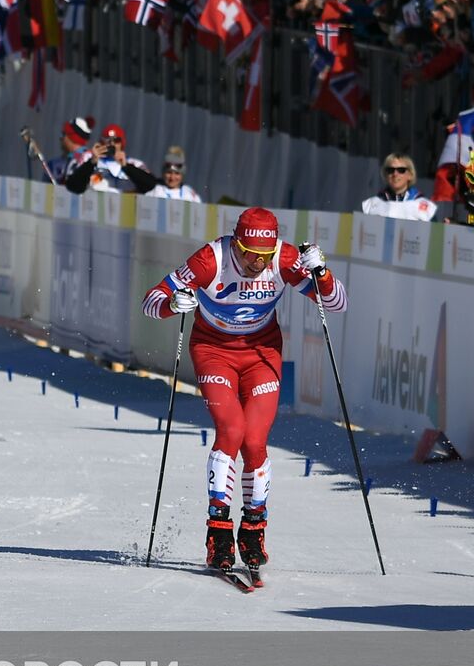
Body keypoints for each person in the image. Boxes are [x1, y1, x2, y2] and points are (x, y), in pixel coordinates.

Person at [140, 207, 348, 580]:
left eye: (264, 256)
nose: (257, 262)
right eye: (250, 253)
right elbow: (150, 301)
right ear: (236, 244)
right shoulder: (210, 259)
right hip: (214, 351)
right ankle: (219, 533)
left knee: (254, 442)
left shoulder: (283, 259)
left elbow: (336, 304)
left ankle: (253, 529)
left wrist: (322, 273)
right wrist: (172, 305)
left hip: (261, 353)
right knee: (231, 432)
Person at [63, 124, 149, 194]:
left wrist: (127, 167)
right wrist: (91, 162)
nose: (112, 144)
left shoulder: (136, 164)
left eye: (116, 140)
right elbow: (73, 183)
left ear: (122, 142)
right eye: (107, 140)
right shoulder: (88, 157)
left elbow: (149, 187)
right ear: (101, 142)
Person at [361, 153, 437, 220]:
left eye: (401, 170)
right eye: (390, 170)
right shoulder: (370, 205)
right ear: (385, 174)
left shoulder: (425, 207)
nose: (395, 174)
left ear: (410, 175)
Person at [126, 146, 203, 202]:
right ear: (164, 173)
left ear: (182, 174)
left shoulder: (189, 194)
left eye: (177, 174)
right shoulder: (156, 190)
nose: (172, 178)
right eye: (169, 173)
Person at [44, 116, 93, 185]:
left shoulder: (57, 165)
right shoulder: (93, 159)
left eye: (63, 134)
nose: (60, 138)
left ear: (72, 137)